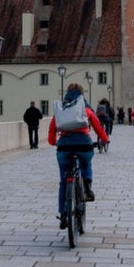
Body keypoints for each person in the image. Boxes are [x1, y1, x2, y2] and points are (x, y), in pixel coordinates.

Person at [47, 82, 109, 225]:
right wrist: (105, 139)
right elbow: (98, 126)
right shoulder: (84, 109)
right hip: (83, 144)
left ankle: (63, 214)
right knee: (86, 162)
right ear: (82, 94)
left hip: (64, 147)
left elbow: (52, 129)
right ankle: (87, 187)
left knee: (64, 181)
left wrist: (53, 142)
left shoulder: (61, 109)